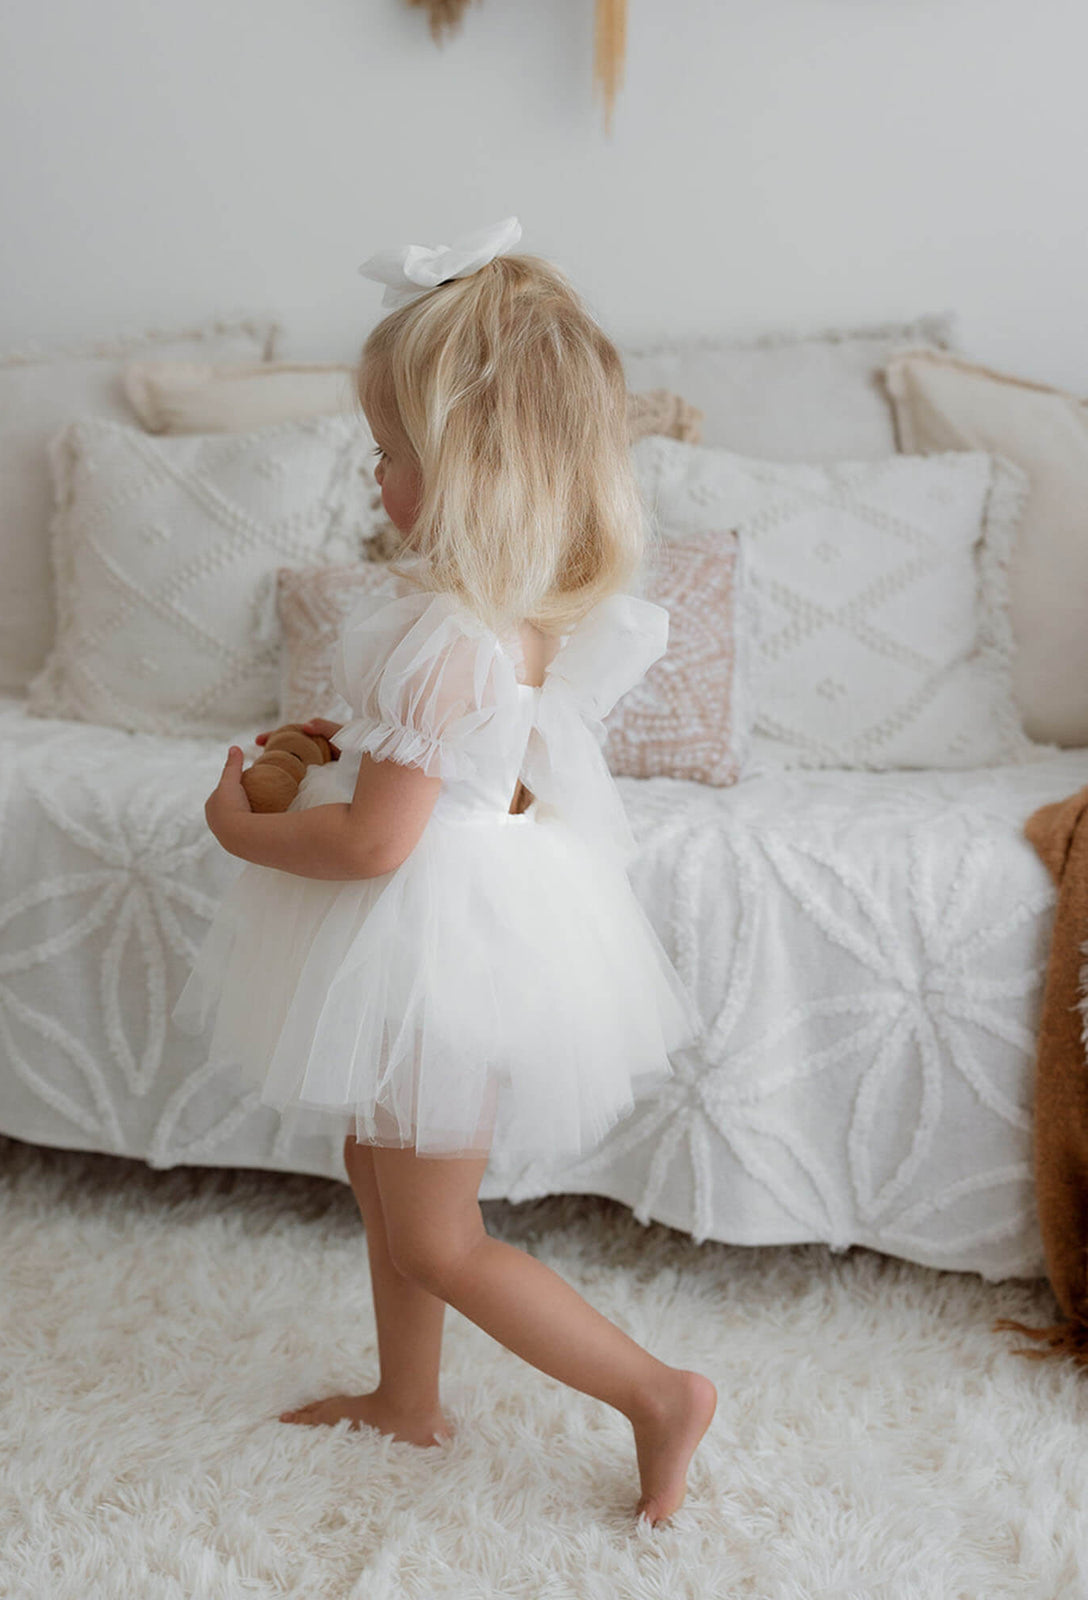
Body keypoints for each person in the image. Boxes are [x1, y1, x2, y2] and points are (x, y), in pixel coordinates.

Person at [171, 218, 717, 1527]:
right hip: (447, 925)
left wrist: (241, 826)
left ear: (470, 467)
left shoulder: (440, 637)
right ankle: (406, 1402)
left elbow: (374, 843)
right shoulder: (493, 612)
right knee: (383, 1177)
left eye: (395, 452)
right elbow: (450, 770)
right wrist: (329, 746)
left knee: (433, 1231)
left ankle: (657, 1394)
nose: (375, 472)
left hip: (434, 935)